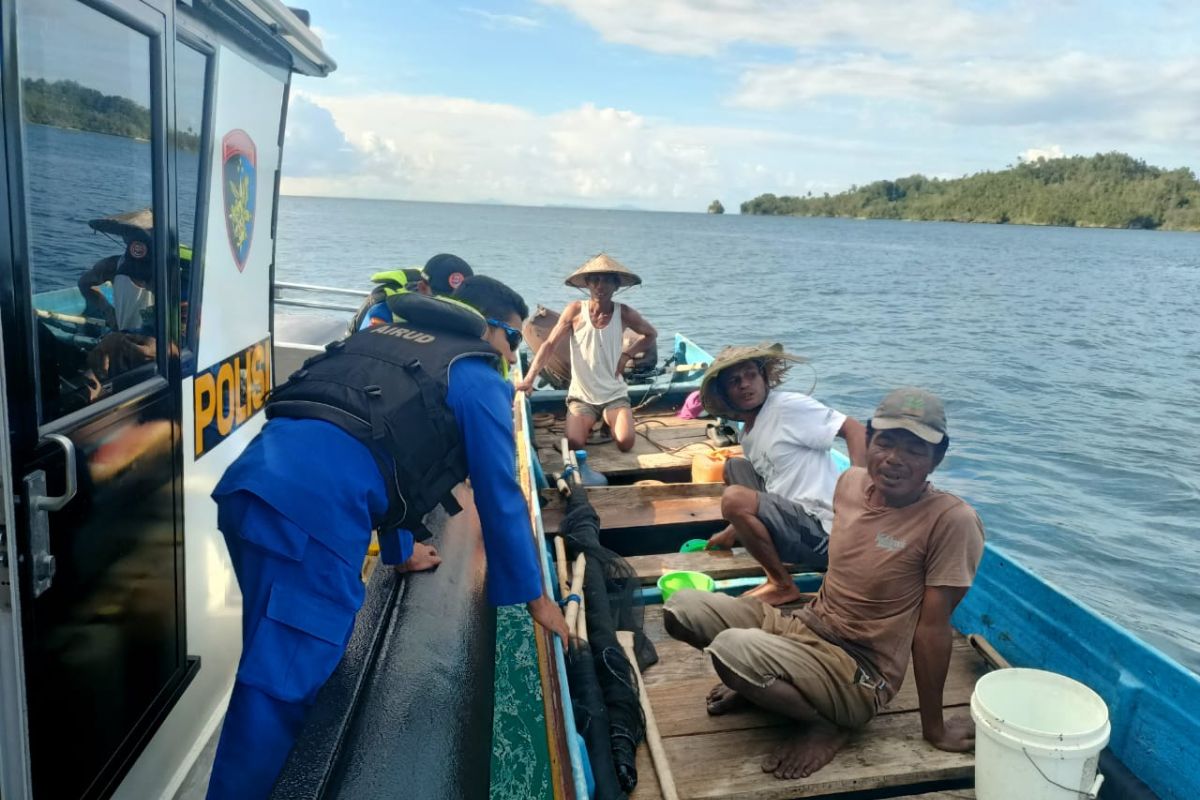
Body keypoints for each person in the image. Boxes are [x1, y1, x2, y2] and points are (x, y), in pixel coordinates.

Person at [205, 275, 568, 800]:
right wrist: (536, 599)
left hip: (251, 488)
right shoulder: (476, 376)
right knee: (279, 681)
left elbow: (395, 454)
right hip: (312, 519)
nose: (514, 354)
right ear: (488, 330)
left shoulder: (379, 341)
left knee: (273, 649)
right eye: (513, 340)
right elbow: (500, 493)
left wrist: (399, 554)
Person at [663, 387, 985, 781]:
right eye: (885, 443)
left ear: (937, 458)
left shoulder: (951, 521)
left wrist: (934, 728)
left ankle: (831, 722)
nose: (895, 460)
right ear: (869, 440)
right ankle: (764, 684)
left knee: (732, 649)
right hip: (803, 625)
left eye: (916, 450)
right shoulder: (849, 483)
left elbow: (933, 630)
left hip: (860, 667)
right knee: (682, 608)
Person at [700, 344, 866, 605]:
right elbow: (771, 486)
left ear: (764, 378)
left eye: (751, 375)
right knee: (734, 467)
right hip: (791, 520)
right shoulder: (748, 433)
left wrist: (861, 499)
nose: (745, 385)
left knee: (734, 499)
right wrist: (732, 532)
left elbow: (855, 430)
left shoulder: (787, 406)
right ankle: (750, 536)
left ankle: (781, 583)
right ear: (725, 393)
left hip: (823, 533)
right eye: (735, 381)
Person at [515, 254, 656, 452]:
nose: (601, 286)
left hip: (613, 393)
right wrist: (529, 379)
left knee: (625, 443)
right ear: (587, 284)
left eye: (607, 281)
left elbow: (650, 335)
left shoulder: (623, 312)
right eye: (595, 280)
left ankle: (608, 422)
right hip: (582, 395)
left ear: (616, 286)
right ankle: (588, 423)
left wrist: (626, 355)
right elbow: (549, 345)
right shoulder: (575, 310)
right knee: (574, 444)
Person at [354, 253, 476, 330]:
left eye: (457, 300)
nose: (450, 305)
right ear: (422, 288)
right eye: (441, 299)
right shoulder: (384, 310)